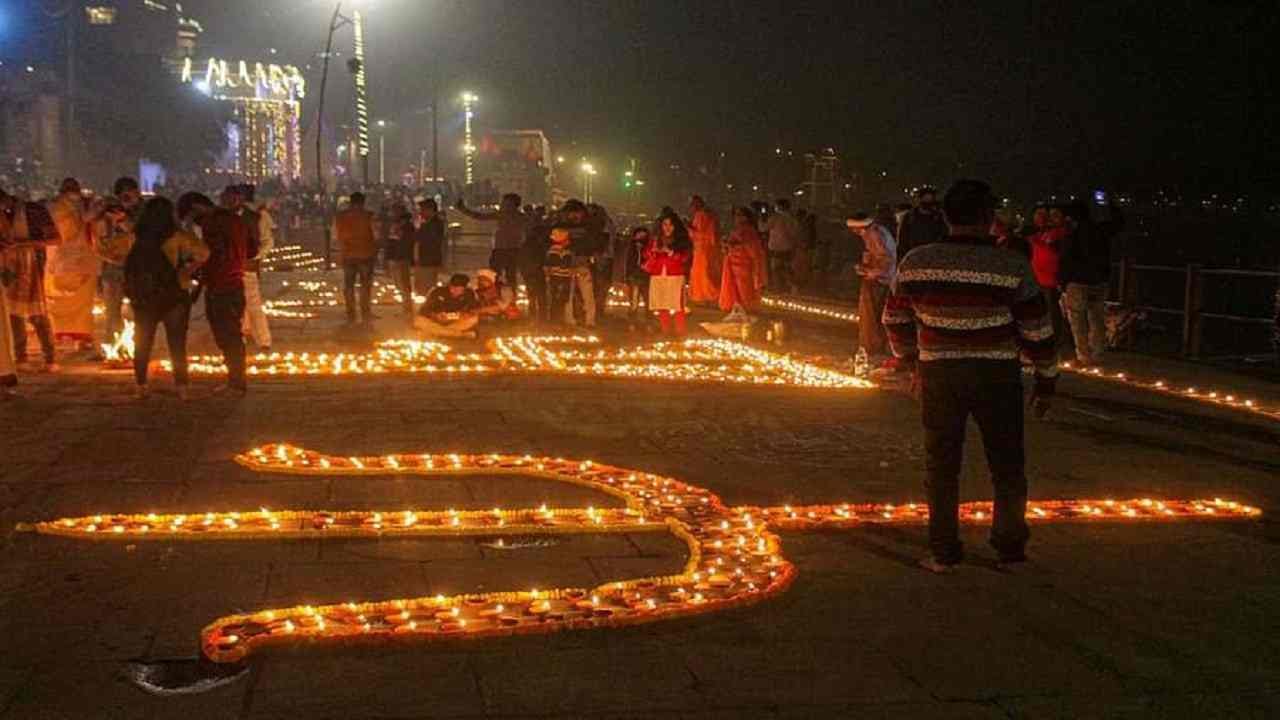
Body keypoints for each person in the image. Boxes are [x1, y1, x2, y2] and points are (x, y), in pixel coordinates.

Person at [882, 180, 1057, 573]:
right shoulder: (1010, 264)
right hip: (997, 374)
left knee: (941, 464)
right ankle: (1009, 547)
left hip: (939, 373)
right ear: (989, 218)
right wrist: (1047, 378)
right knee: (1007, 463)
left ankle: (944, 551)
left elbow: (894, 318)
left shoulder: (916, 261)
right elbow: (1037, 328)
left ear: (945, 215)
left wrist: (910, 361)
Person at [124, 197, 208, 400]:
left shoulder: (134, 237)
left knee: (142, 342)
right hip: (174, 294)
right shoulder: (178, 236)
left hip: (144, 297)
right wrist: (187, 270)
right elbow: (204, 253)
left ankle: (141, 385)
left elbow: (106, 250)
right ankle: (182, 387)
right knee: (177, 343)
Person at [178, 192, 256, 396]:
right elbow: (252, 251)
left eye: (193, 217)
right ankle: (236, 381)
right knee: (231, 334)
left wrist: (192, 267)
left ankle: (237, 384)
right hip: (235, 283)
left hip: (220, 285)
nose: (195, 222)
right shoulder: (237, 221)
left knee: (227, 336)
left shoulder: (212, 224)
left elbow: (207, 254)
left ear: (196, 208)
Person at [1, 187, 60, 371]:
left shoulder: (34, 211)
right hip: (8, 268)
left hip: (34, 266)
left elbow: (56, 239)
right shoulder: (3, 216)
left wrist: (23, 244)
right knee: (12, 313)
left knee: (38, 313)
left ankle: (50, 358)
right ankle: (21, 357)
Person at [1059, 199, 1123, 366]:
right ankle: (1098, 353)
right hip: (1099, 281)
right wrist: (1112, 205)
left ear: (1071, 218)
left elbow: (1066, 260)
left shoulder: (1073, 234)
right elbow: (1118, 224)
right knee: (1097, 318)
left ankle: (1083, 355)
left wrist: (1062, 282)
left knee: (1078, 320)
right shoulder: (1101, 229)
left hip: (1078, 282)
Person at [45, 178, 100, 352]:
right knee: (62, 302)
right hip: (65, 259)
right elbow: (66, 232)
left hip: (83, 259)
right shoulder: (56, 207)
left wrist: (88, 216)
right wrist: (84, 218)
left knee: (84, 304)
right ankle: (62, 335)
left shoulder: (80, 205)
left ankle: (81, 338)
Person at [94, 177, 142, 347]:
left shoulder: (144, 212)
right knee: (112, 309)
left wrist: (122, 219)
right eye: (122, 194)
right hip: (113, 265)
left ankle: (138, 346)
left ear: (137, 192)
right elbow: (99, 238)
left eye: (129, 193)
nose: (126, 197)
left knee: (138, 310)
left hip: (137, 267)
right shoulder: (109, 213)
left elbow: (139, 233)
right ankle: (112, 345)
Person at [847, 212, 897, 365]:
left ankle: (872, 346)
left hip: (880, 280)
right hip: (881, 278)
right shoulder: (876, 231)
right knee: (876, 314)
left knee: (872, 315)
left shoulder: (873, 234)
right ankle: (875, 345)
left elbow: (885, 258)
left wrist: (871, 272)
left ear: (858, 227)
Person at [457, 193, 527, 288]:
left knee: (503, 276)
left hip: (508, 250)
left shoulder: (507, 216)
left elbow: (479, 216)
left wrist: (464, 210)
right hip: (507, 250)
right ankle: (501, 297)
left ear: (511, 204)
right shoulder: (518, 217)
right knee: (503, 276)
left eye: (505, 202)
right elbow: (479, 216)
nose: (502, 204)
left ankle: (505, 297)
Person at [235, 184, 273, 351]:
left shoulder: (257, 216)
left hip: (248, 264)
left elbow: (267, 240)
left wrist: (255, 258)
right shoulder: (227, 216)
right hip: (231, 265)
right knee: (237, 303)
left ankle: (263, 340)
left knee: (252, 302)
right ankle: (243, 333)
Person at [644, 212, 692, 336]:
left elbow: (685, 258)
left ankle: (680, 331)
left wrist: (670, 252)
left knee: (677, 305)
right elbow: (647, 254)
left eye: (671, 224)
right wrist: (653, 252)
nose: (667, 227)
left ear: (675, 226)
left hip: (675, 275)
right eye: (665, 224)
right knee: (661, 304)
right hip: (658, 274)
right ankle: (666, 331)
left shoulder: (682, 240)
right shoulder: (655, 239)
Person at [333, 192, 377, 326]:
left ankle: (351, 312)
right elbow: (375, 234)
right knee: (365, 286)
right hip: (366, 255)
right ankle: (365, 311)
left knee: (349, 286)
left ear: (351, 202)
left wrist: (340, 250)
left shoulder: (341, 217)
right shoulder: (369, 216)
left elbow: (337, 236)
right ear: (363, 203)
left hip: (348, 255)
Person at [1029, 206, 1069, 348]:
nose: (1050, 218)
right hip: (1039, 278)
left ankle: (1055, 341)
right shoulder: (1043, 233)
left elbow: (1058, 254)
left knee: (1052, 311)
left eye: (1055, 215)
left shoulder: (1061, 234)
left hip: (1050, 279)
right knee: (1042, 311)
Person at [544, 226, 595, 327]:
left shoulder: (564, 250)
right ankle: (568, 320)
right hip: (564, 276)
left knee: (568, 298)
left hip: (571, 274)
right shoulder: (557, 251)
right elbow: (555, 265)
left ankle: (577, 320)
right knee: (563, 299)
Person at [718, 207, 767, 313]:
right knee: (735, 286)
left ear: (746, 217)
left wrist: (734, 244)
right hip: (733, 260)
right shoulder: (737, 229)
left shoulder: (749, 230)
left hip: (743, 262)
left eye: (739, 215)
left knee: (744, 287)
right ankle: (738, 306)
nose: (737, 217)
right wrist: (727, 244)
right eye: (736, 215)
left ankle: (747, 307)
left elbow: (751, 247)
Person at [414, 273, 479, 339]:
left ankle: (435, 333)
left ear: (464, 289)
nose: (454, 291)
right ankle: (460, 335)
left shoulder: (469, 293)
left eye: (458, 290)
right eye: (452, 287)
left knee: (473, 319)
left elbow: (472, 309)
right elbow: (424, 310)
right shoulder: (437, 291)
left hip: (455, 322)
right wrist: (435, 316)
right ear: (449, 285)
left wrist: (463, 314)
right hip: (436, 321)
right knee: (419, 320)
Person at [407, 198, 445, 299]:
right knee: (422, 288)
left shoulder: (434, 225)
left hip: (428, 261)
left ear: (430, 210)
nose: (420, 213)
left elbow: (427, 241)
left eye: (422, 210)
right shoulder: (428, 224)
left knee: (427, 289)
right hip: (424, 260)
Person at [895, 186, 948, 258]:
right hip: (914, 256)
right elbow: (902, 241)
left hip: (933, 256)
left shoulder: (939, 217)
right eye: (926, 200)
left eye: (930, 200)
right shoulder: (909, 217)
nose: (928, 204)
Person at [385, 201, 416, 319]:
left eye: (395, 211)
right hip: (396, 257)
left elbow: (405, 242)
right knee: (400, 284)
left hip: (402, 258)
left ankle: (408, 309)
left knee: (404, 285)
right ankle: (406, 308)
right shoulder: (396, 225)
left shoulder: (407, 226)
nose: (392, 214)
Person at [687, 195, 721, 304]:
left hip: (703, 248)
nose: (691, 207)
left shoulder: (701, 215)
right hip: (705, 247)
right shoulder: (708, 214)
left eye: (692, 205)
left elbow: (701, 234)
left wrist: (689, 228)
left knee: (704, 272)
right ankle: (704, 295)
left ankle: (707, 295)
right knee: (703, 271)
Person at [765, 198, 801, 293]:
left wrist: (761, 218)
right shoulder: (792, 219)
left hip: (777, 247)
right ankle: (793, 285)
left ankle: (779, 288)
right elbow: (796, 233)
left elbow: (763, 228)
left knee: (776, 268)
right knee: (787, 267)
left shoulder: (775, 218)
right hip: (789, 246)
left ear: (779, 206)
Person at [622, 226, 652, 321]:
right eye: (639, 235)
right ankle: (633, 321)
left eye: (643, 235)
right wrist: (626, 277)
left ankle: (648, 320)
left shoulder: (649, 248)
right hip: (634, 277)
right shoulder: (632, 247)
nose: (641, 237)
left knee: (649, 301)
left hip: (646, 276)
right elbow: (628, 262)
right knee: (634, 301)